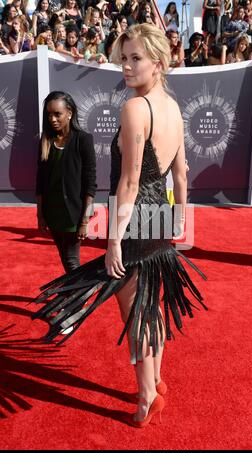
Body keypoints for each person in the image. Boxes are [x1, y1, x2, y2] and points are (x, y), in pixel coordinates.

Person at [33, 24, 206, 427]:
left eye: (135, 59)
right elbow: (180, 176)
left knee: (137, 312)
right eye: (123, 58)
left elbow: (128, 182)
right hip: (158, 217)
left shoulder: (135, 108)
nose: (125, 67)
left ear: (158, 62)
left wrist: (113, 242)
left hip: (133, 223)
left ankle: (146, 396)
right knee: (152, 306)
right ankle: (157, 379)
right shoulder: (173, 108)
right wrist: (179, 222)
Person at [36, 91, 96, 275]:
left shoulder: (83, 139)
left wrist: (85, 220)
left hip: (73, 214)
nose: (53, 119)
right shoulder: (46, 140)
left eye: (57, 114)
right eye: (49, 114)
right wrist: (40, 214)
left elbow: (90, 182)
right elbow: (40, 181)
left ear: (69, 113)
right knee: (65, 258)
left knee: (71, 260)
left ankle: (80, 300)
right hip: (52, 212)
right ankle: (75, 298)